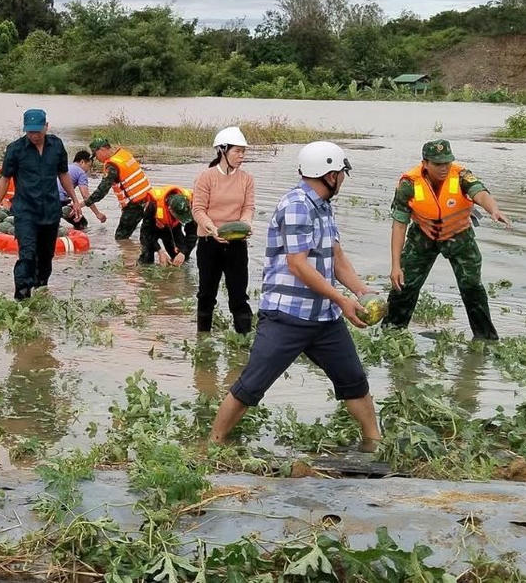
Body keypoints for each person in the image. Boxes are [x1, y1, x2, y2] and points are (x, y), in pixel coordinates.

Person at [209, 141, 381, 452]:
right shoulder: (298, 205)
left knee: (354, 381)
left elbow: (335, 254)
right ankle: (212, 445)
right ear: (329, 174)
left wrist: (359, 290)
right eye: (341, 172)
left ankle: (376, 444)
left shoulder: (322, 205)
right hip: (287, 316)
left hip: (324, 318)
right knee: (251, 385)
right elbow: (297, 264)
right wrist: (343, 300)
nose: (342, 178)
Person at [385, 139, 511, 341]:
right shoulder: (409, 184)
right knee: (404, 284)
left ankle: (486, 339)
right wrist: (395, 266)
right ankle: (391, 333)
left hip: (458, 235)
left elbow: (480, 192)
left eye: (447, 163)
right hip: (423, 235)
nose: (444, 168)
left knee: (471, 286)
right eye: (438, 164)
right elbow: (399, 225)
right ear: (425, 163)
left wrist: (494, 210)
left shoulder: (461, 176)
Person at [0, 109, 84, 301]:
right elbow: (5, 179)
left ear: (46, 127)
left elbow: (63, 174)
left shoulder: (56, 145)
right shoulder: (15, 149)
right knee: (27, 254)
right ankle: (22, 297)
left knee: (46, 256)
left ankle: (41, 291)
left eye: (37, 131)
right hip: (26, 212)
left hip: (50, 210)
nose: (33, 135)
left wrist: (75, 200)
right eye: (30, 131)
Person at [192, 126, 256, 334]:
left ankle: (243, 341)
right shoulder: (206, 177)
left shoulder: (246, 179)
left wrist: (246, 224)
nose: (241, 156)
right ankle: (203, 340)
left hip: (237, 243)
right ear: (223, 151)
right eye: (237, 151)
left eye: (243, 151)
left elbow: (248, 208)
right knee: (206, 295)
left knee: (239, 295)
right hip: (209, 243)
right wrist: (213, 230)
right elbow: (198, 210)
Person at [82, 137, 152, 240]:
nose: (96, 159)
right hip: (149, 200)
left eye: (95, 155)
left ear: (101, 150)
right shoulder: (124, 155)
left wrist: (83, 204)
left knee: (121, 239)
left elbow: (102, 190)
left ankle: (130, 254)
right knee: (147, 235)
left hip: (134, 206)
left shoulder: (112, 165)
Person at [138, 185, 198, 266]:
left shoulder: (190, 207)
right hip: (153, 229)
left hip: (174, 229)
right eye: (180, 216)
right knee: (146, 259)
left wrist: (183, 253)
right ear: (170, 209)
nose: (182, 219)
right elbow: (145, 234)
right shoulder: (153, 205)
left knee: (181, 259)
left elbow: (192, 234)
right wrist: (160, 251)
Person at [59, 151, 106, 230]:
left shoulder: (66, 167)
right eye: (89, 166)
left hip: (47, 200)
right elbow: (86, 196)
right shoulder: (81, 173)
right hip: (60, 202)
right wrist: (97, 214)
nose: (88, 170)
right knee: (82, 224)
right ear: (82, 162)